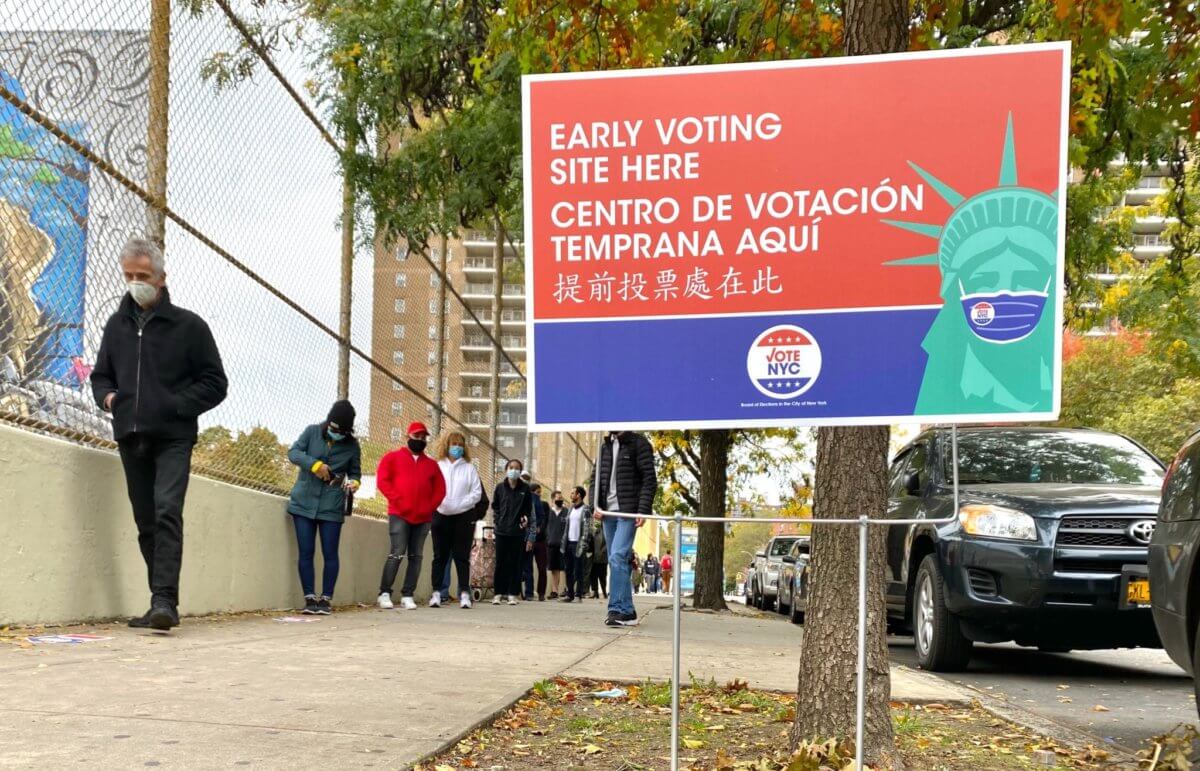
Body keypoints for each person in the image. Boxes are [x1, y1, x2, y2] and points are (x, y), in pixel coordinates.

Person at [90, 237, 228, 631]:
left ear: (162, 277)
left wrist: (174, 405)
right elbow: (101, 376)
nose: (136, 282)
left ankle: (164, 600)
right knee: (146, 520)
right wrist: (110, 399)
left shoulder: (190, 327)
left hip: (173, 437)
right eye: (130, 276)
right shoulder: (116, 326)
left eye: (144, 276)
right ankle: (159, 603)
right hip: (131, 436)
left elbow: (215, 383)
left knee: (168, 511)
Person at [286, 400, 362, 615]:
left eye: (341, 431)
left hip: (331, 505)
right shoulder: (312, 432)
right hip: (304, 502)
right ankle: (309, 597)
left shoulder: (352, 445)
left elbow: (355, 472)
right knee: (306, 551)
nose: (336, 433)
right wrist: (315, 465)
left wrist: (355, 483)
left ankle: (326, 598)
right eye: (333, 428)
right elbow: (294, 453)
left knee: (330, 553)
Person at [376, 422, 446, 610]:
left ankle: (408, 594)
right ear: (408, 437)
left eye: (423, 438)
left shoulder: (431, 465)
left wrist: (429, 508)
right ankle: (384, 592)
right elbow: (383, 481)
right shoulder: (392, 458)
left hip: (423, 517)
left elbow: (440, 490)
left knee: (416, 556)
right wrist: (397, 500)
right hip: (399, 514)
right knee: (396, 553)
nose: (420, 440)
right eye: (417, 437)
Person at [593, 430, 656, 627]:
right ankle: (628, 611)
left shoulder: (638, 443)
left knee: (617, 557)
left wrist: (642, 510)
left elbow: (649, 479)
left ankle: (616, 609)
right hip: (607, 513)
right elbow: (595, 479)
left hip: (628, 511)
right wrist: (595, 505)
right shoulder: (604, 447)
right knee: (617, 561)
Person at [431, 431, 482, 610]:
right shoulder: (437, 466)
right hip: (440, 514)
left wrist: (461, 504)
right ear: (446, 445)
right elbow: (431, 489)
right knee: (440, 556)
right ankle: (436, 593)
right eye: (454, 444)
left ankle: (464, 594)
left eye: (460, 445)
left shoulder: (469, 468)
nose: (457, 448)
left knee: (461, 557)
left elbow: (477, 493)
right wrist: (440, 504)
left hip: (463, 516)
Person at [491, 458, 533, 606]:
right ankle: (498, 593)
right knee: (500, 563)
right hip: (502, 531)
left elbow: (528, 509)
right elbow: (495, 506)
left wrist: (524, 521)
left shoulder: (525, 489)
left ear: (520, 472)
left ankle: (512, 593)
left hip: (517, 532)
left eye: (517, 468)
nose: (514, 470)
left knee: (516, 563)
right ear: (506, 469)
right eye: (511, 467)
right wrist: (497, 520)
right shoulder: (499, 488)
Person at [561, 486, 589, 602]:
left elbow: (587, 528)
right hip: (568, 543)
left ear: (579, 495)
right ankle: (570, 594)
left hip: (579, 543)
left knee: (578, 570)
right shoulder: (571, 509)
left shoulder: (586, 509)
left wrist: (583, 544)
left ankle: (578, 595)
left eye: (573, 493)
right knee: (568, 570)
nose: (571, 495)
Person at [527, 482, 550, 601]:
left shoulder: (544, 505)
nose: (539, 495)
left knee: (542, 568)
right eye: (537, 492)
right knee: (528, 567)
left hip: (540, 541)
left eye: (540, 493)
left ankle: (541, 593)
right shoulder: (527, 503)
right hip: (529, 539)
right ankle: (529, 592)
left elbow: (545, 520)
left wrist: (540, 528)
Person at [546, 490, 568, 599]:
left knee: (563, 567)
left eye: (561, 497)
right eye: (558, 498)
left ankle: (566, 589)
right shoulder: (548, 512)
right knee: (554, 568)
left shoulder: (566, 512)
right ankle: (554, 591)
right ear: (553, 499)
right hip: (551, 544)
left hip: (563, 544)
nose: (560, 500)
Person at [588, 519, 608, 599]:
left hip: (602, 558)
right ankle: (595, 592)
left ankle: (604, 592)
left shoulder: (606, 531)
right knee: (593, 575)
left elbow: (607, 544)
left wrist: (602, 552)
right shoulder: (594, 531)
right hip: (594, 558)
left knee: (602, 576)